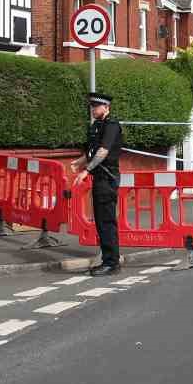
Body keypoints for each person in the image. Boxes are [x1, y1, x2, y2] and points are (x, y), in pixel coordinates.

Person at [69, 92, 123, 276]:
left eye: (96, 106)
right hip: (99, 179)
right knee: (100, 221)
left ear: (106, 108)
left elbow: (103, 152)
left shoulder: (111, 126)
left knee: (107, 222)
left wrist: (87, 170)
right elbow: (92, 153)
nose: (93, 109)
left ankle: (112, 263)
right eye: (92, 106)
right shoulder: (97, 126)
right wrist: (79, 162)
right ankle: (107, 259)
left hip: (107, 178)